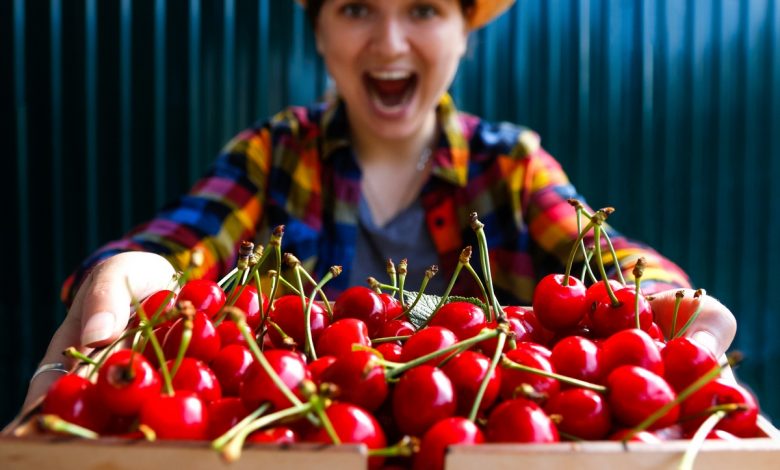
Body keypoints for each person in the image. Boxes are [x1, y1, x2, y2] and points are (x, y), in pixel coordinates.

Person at [23, 0, 736, 409]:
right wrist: (122, 276)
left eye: (424, 8)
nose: (389, 41)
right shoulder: (272, 156)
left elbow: (609, 269)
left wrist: (664, 303)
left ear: (464, 32)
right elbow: (178, 244)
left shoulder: (510, 167)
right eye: (357, 6)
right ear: (319, 29)